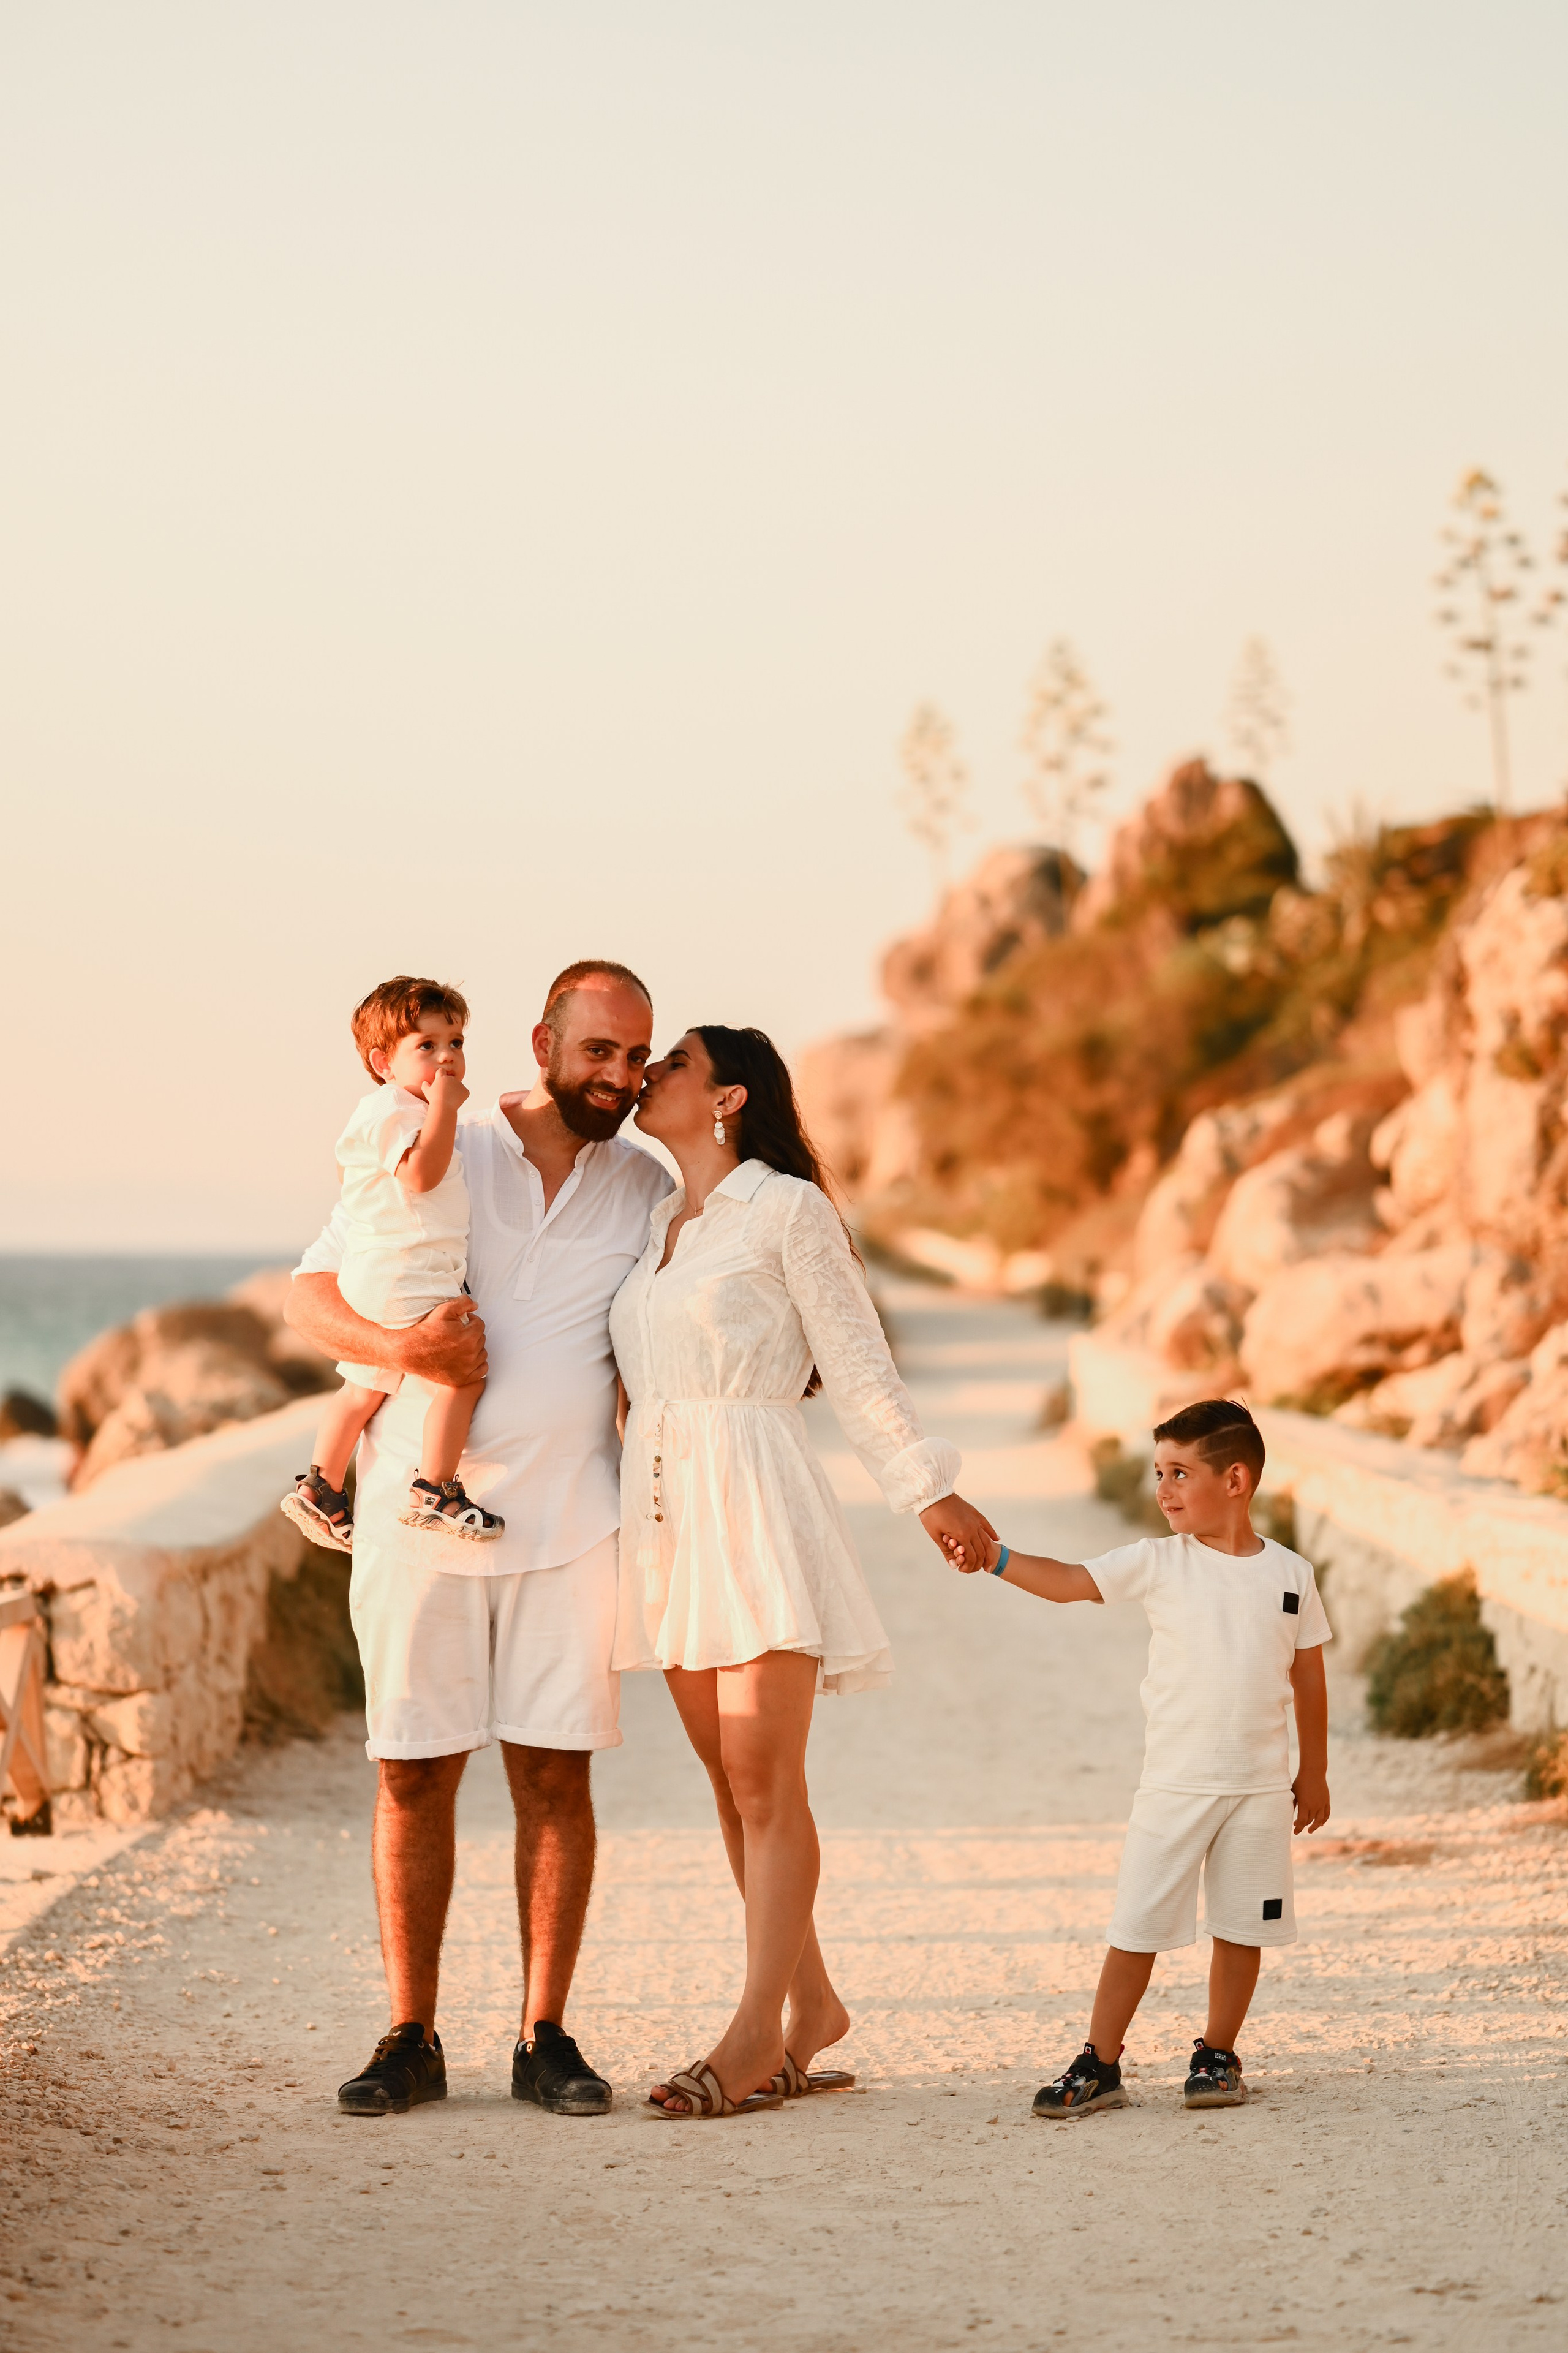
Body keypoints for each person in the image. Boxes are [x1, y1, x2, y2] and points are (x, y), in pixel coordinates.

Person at [284, 961, 673, 2118]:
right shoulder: (441, 1135)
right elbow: (312, 1294)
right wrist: (406, 1353)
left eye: (636, 1057)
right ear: (544, 1043)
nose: (619, 1076)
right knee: (412, 1771)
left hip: (574, 1523)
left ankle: (544, 2036)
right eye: (598, 1051)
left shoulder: (646, 1188)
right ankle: (410, 2036)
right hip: (419, 1517)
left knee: (555, 1775)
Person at [611, 1024, 996, 2120]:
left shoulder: (786, 1210)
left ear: (728, 1096)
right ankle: (814, 2002)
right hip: (666, 1518)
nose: (647, 1075)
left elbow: (859, 1363)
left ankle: (753, 2033)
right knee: (728, 1782)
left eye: (672, 1062)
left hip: (754, 1498)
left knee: (765, 1779)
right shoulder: (652, 1223)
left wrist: (927, 1488)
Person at [951, 1397, 1331, 2116]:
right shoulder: (1158, 1562)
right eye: (1159, 1472)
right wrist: (994, 1559)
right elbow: (1069, 1581)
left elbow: (1308, 1675)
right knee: (1136, 1926)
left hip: (1257, 1790)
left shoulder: (1291, 1574)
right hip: (1174, 1785)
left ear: (1235, 1479)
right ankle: (1100, 2062)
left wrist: (1312, 1772)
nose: (1162, 1489)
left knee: (1241, 1928)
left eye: (1179, 1472)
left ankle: (1217, 2055)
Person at [280, 975, 503, 1554]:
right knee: (462, 1375)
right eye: (426, 1046)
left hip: (386, 1271)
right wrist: (445, 1109)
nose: (447, 1057)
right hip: (406, 1272)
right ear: (383, 1062)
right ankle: (435, 1488)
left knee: (364, 1384)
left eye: (455, 1042)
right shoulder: (393, 1109)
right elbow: (421, 1175)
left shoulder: (399, 1111)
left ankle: (322, 1485)